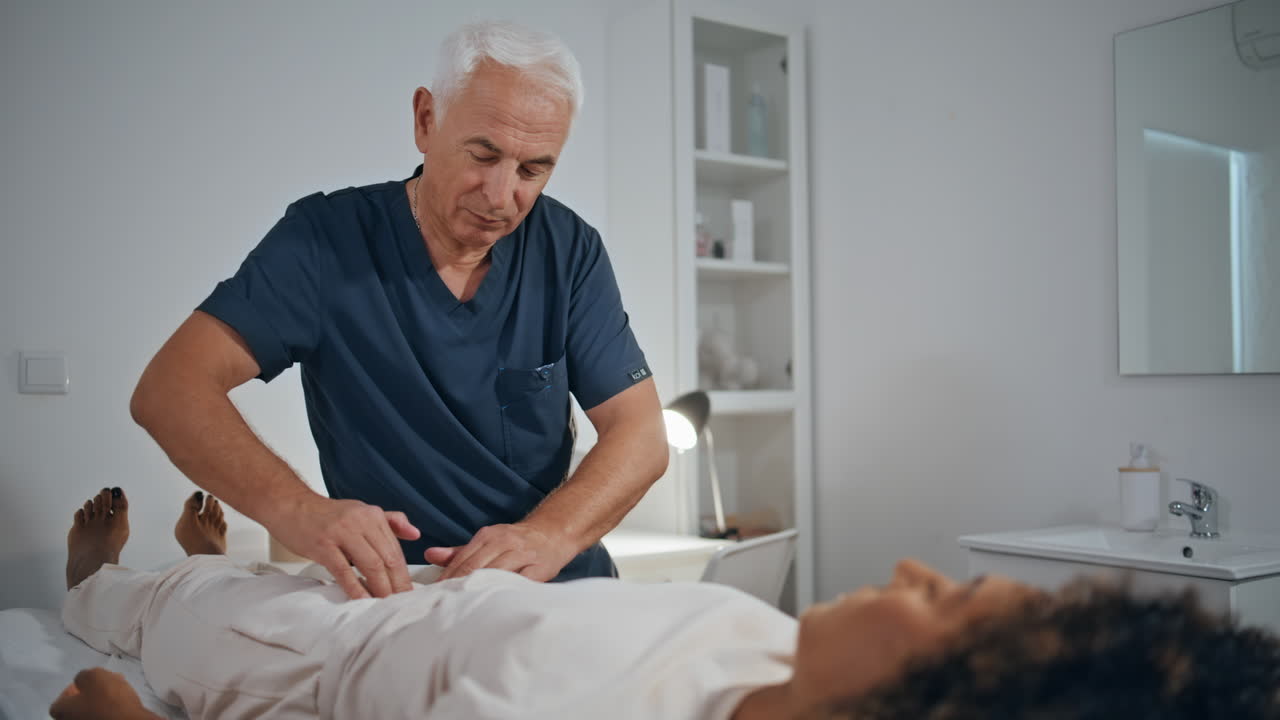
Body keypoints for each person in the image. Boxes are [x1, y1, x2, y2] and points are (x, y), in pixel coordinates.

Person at [127, 20, 668, 600]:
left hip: (553, 580)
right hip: (399, 593)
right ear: (426, 120)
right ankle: (142, 570)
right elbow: (170, 389)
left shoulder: (569, 249)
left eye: (533, 169)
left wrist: (549, 535)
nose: (500, 195)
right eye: (483, 155)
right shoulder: (326, 241)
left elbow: (640, 432)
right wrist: (298, 512)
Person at [52, 488, 1280, 720]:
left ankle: (105, 582)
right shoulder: (766, 642)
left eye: (947, 605)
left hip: (319, 661)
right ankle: (252, 548)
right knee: (306, 558)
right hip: (436, 596)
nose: (912, 571)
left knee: (176, 608)